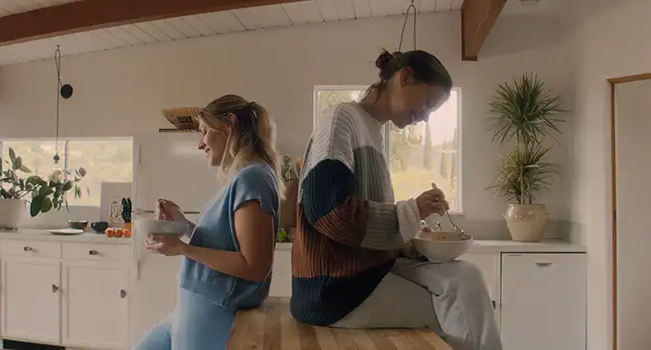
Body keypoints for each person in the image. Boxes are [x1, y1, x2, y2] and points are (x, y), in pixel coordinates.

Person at [291, 50, 504, 350]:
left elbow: (365, 223)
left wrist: (411, 237)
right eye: (428, 102)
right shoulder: (341, 119)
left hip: (365, 274)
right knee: (462, 308)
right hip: (335, 290)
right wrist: (412, 210)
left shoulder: (372, 131)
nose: (426, 116)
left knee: (469, 277)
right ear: (404, 77)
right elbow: (329, 212)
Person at [134, 94, 283, 350]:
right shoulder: (245, 178)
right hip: (187, 312)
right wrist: (184, 225)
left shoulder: (252, 179)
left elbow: (255, 266)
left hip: (211, 317)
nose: (200, 144)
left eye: (204, 131)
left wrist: (181, 248)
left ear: (229, 125)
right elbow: (226, 244)